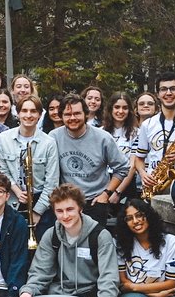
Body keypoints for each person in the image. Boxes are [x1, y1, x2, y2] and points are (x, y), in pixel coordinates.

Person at [18, 184, 120, 297]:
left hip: (90, 295)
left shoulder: (100, 236)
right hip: (60, 294)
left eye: (70, 209)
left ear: (80, 208)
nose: (65, 216)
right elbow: (40, 271)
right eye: (59, 211)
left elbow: (108, 277)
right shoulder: (51, 235)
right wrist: (28, 291)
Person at [49, 94, 129, 225]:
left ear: (86, 114)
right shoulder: (53, 137)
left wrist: (106, 193)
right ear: (61, 116)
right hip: (65, 202)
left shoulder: (103, 138)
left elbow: (122, 167)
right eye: (67, 114)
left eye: (77, 113)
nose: (72, 118)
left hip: (94, 202)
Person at [0, 96, 59, 242]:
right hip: (13, 199)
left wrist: (37, 211)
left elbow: (52, 182)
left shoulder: (49, 143)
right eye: (24, 111)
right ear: (18, 113)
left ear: (39, 115)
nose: (28, 115)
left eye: (33, 111)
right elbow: (3, 171)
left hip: (41, 201)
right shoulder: (2, 139)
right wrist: (17, 191)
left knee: (42, 248)